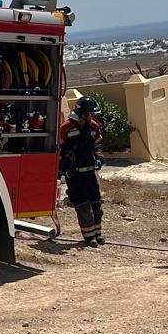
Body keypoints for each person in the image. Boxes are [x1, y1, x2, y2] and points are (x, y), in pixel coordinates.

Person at [59, 95, 104, 245]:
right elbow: (58, 150)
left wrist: (99, 156)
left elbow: (97, 144)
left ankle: (98, 233)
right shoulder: (66, 128)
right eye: (90, 113)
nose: (92, 116)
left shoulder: (93, 127)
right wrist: (63, 167)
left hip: (90, 172)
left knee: (96, 204)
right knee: (83, 206)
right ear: (82, 112)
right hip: (75, 175)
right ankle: (89, 237)